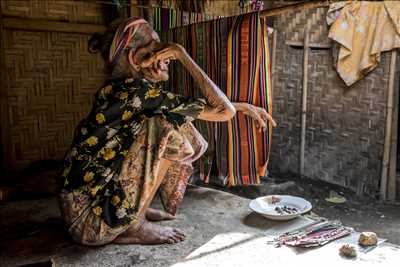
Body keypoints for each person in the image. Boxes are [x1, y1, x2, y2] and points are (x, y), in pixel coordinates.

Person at [58, 17, 276, 246]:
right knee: (164, 126)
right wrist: (182, 54)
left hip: (83, 211)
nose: (167, 58)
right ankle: (134, 225)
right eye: (158, 50)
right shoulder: (137, 94)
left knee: (172, 119)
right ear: (135, 58)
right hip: (89, 223)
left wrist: (243, 107)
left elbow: (215, 110)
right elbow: (224, 111)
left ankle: (132, 213)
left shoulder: (121, 91)